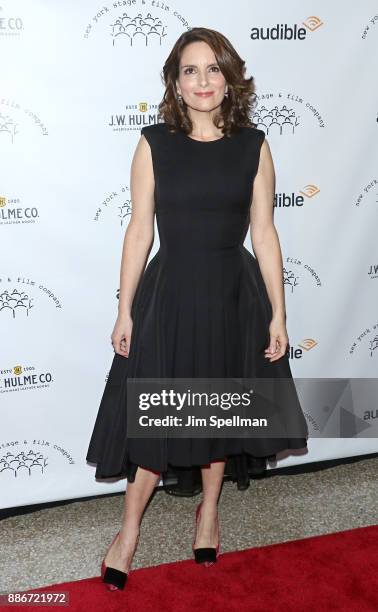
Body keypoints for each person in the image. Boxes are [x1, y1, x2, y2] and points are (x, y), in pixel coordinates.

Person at [86, 26, 308, 590]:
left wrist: (279, 315)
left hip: (234, 293)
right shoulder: (153, 143)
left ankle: (208, 513)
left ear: (229, 79)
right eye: (190, 70)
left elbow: (265, 233)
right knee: (159, 412)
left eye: (213, 69)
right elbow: (139, 232)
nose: (203, 80)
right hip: (172, 291)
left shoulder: (253, 145)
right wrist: (125, 308)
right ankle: (129, 531)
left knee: (221, 407)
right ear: (176, 84)